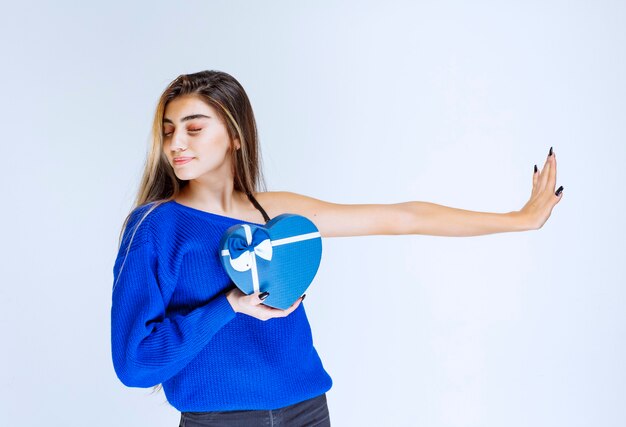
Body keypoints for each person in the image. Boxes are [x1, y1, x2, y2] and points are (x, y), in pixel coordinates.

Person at [110, 70, 563, 427]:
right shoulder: (155, 227)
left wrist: (518, 219)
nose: (177, 143)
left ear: (235, 136)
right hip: (220, 421)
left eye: (193, 128)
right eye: (169, 131)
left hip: (307, 411)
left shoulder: (277, 216)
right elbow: (135, 365)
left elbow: (402, 217)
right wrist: (230, 305)